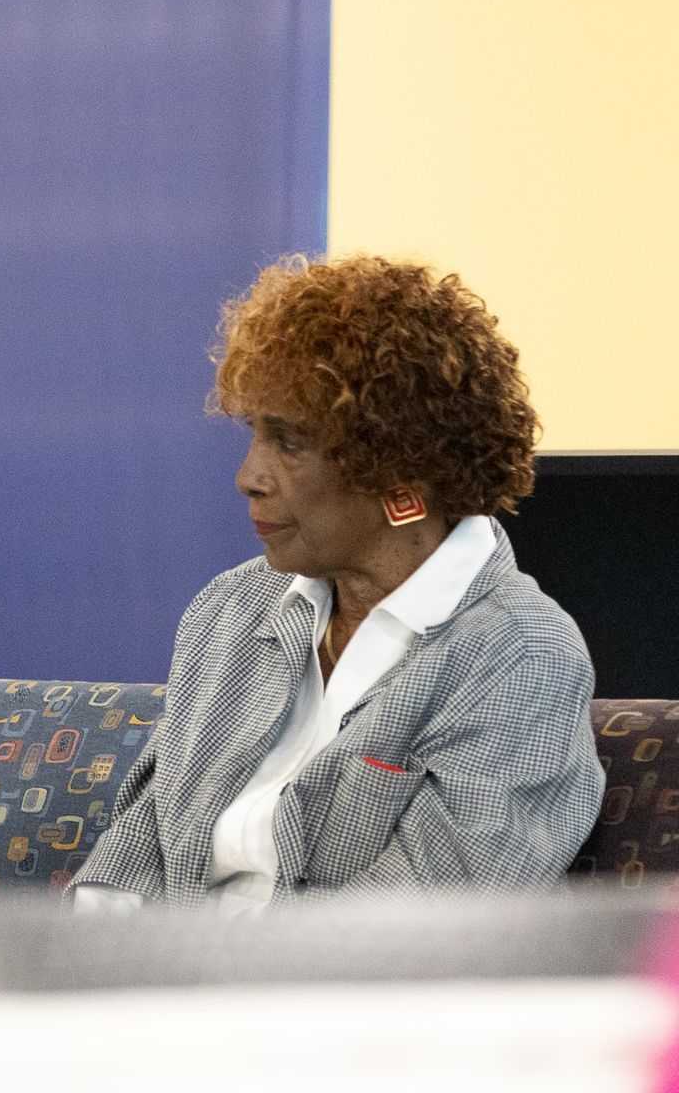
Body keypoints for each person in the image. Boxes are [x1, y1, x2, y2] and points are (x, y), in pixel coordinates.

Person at [70, 255, 603, 911]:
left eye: (289, 442)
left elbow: (412, 942)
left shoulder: (520, 659)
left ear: (401, 477)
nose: (248, 476)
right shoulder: (230, 611)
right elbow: (134, 856)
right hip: (149, 998)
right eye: (254, 433)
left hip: (322, 1006)